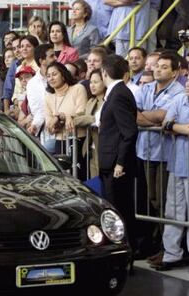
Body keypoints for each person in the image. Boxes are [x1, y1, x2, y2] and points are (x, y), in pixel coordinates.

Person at [98, 54, 138, 252]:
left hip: (116, 165)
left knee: (119, 211)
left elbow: (128, 132)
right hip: (111, 162)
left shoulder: (120, 93)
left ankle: (125, 251)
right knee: (118, 209)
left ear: (104, 73)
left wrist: (120, 163)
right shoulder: (118, 92)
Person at [135, 53, 184, 212]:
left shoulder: (179, 92)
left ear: (174, 73)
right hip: (144, 151)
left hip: (165, 154)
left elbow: (164, 115)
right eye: (157, 66)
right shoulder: (146, 87)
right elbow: (132, 114)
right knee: (151, 198)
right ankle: (156, 234)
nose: (158, 70)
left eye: (164, 67)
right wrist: (155, 121)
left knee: (163, 199)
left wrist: (146, 116)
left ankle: (164, 235)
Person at [153, 80, 189, 270]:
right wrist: (175, 127)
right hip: (177, 163)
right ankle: (172, 254)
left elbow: (172, 126)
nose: (188, 85)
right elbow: (165, 123)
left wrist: (174, 127)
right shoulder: (180, 99)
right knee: (173, 211)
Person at [44, 62, 87, 179]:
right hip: (60, 142)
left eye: (54, 74)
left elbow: (81, 113)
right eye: (48, 76)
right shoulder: (48, 98)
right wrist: (55, 124)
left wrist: (61, 117)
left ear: (63, 75)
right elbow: (50, 127)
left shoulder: (78, 89)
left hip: (78, 140)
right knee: (64, 179)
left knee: (79, 178)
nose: (51, 78)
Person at [74, 69, 106, 178]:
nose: (92, 85)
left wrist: (88, 119)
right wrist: (67, 117)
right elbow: (81, 116)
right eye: (91, 82)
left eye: (96, 82)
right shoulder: (91, 101)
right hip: (91, 149)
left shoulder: (108, 101)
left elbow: (96, 119)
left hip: (103, 148)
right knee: (94, 182)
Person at [27, 44, 56, 139]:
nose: (56, 58)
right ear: (41, 61)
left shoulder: (63, 76)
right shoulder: (32, 84)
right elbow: (38, 110)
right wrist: (35, 125)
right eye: (51, 56)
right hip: (46, 134)